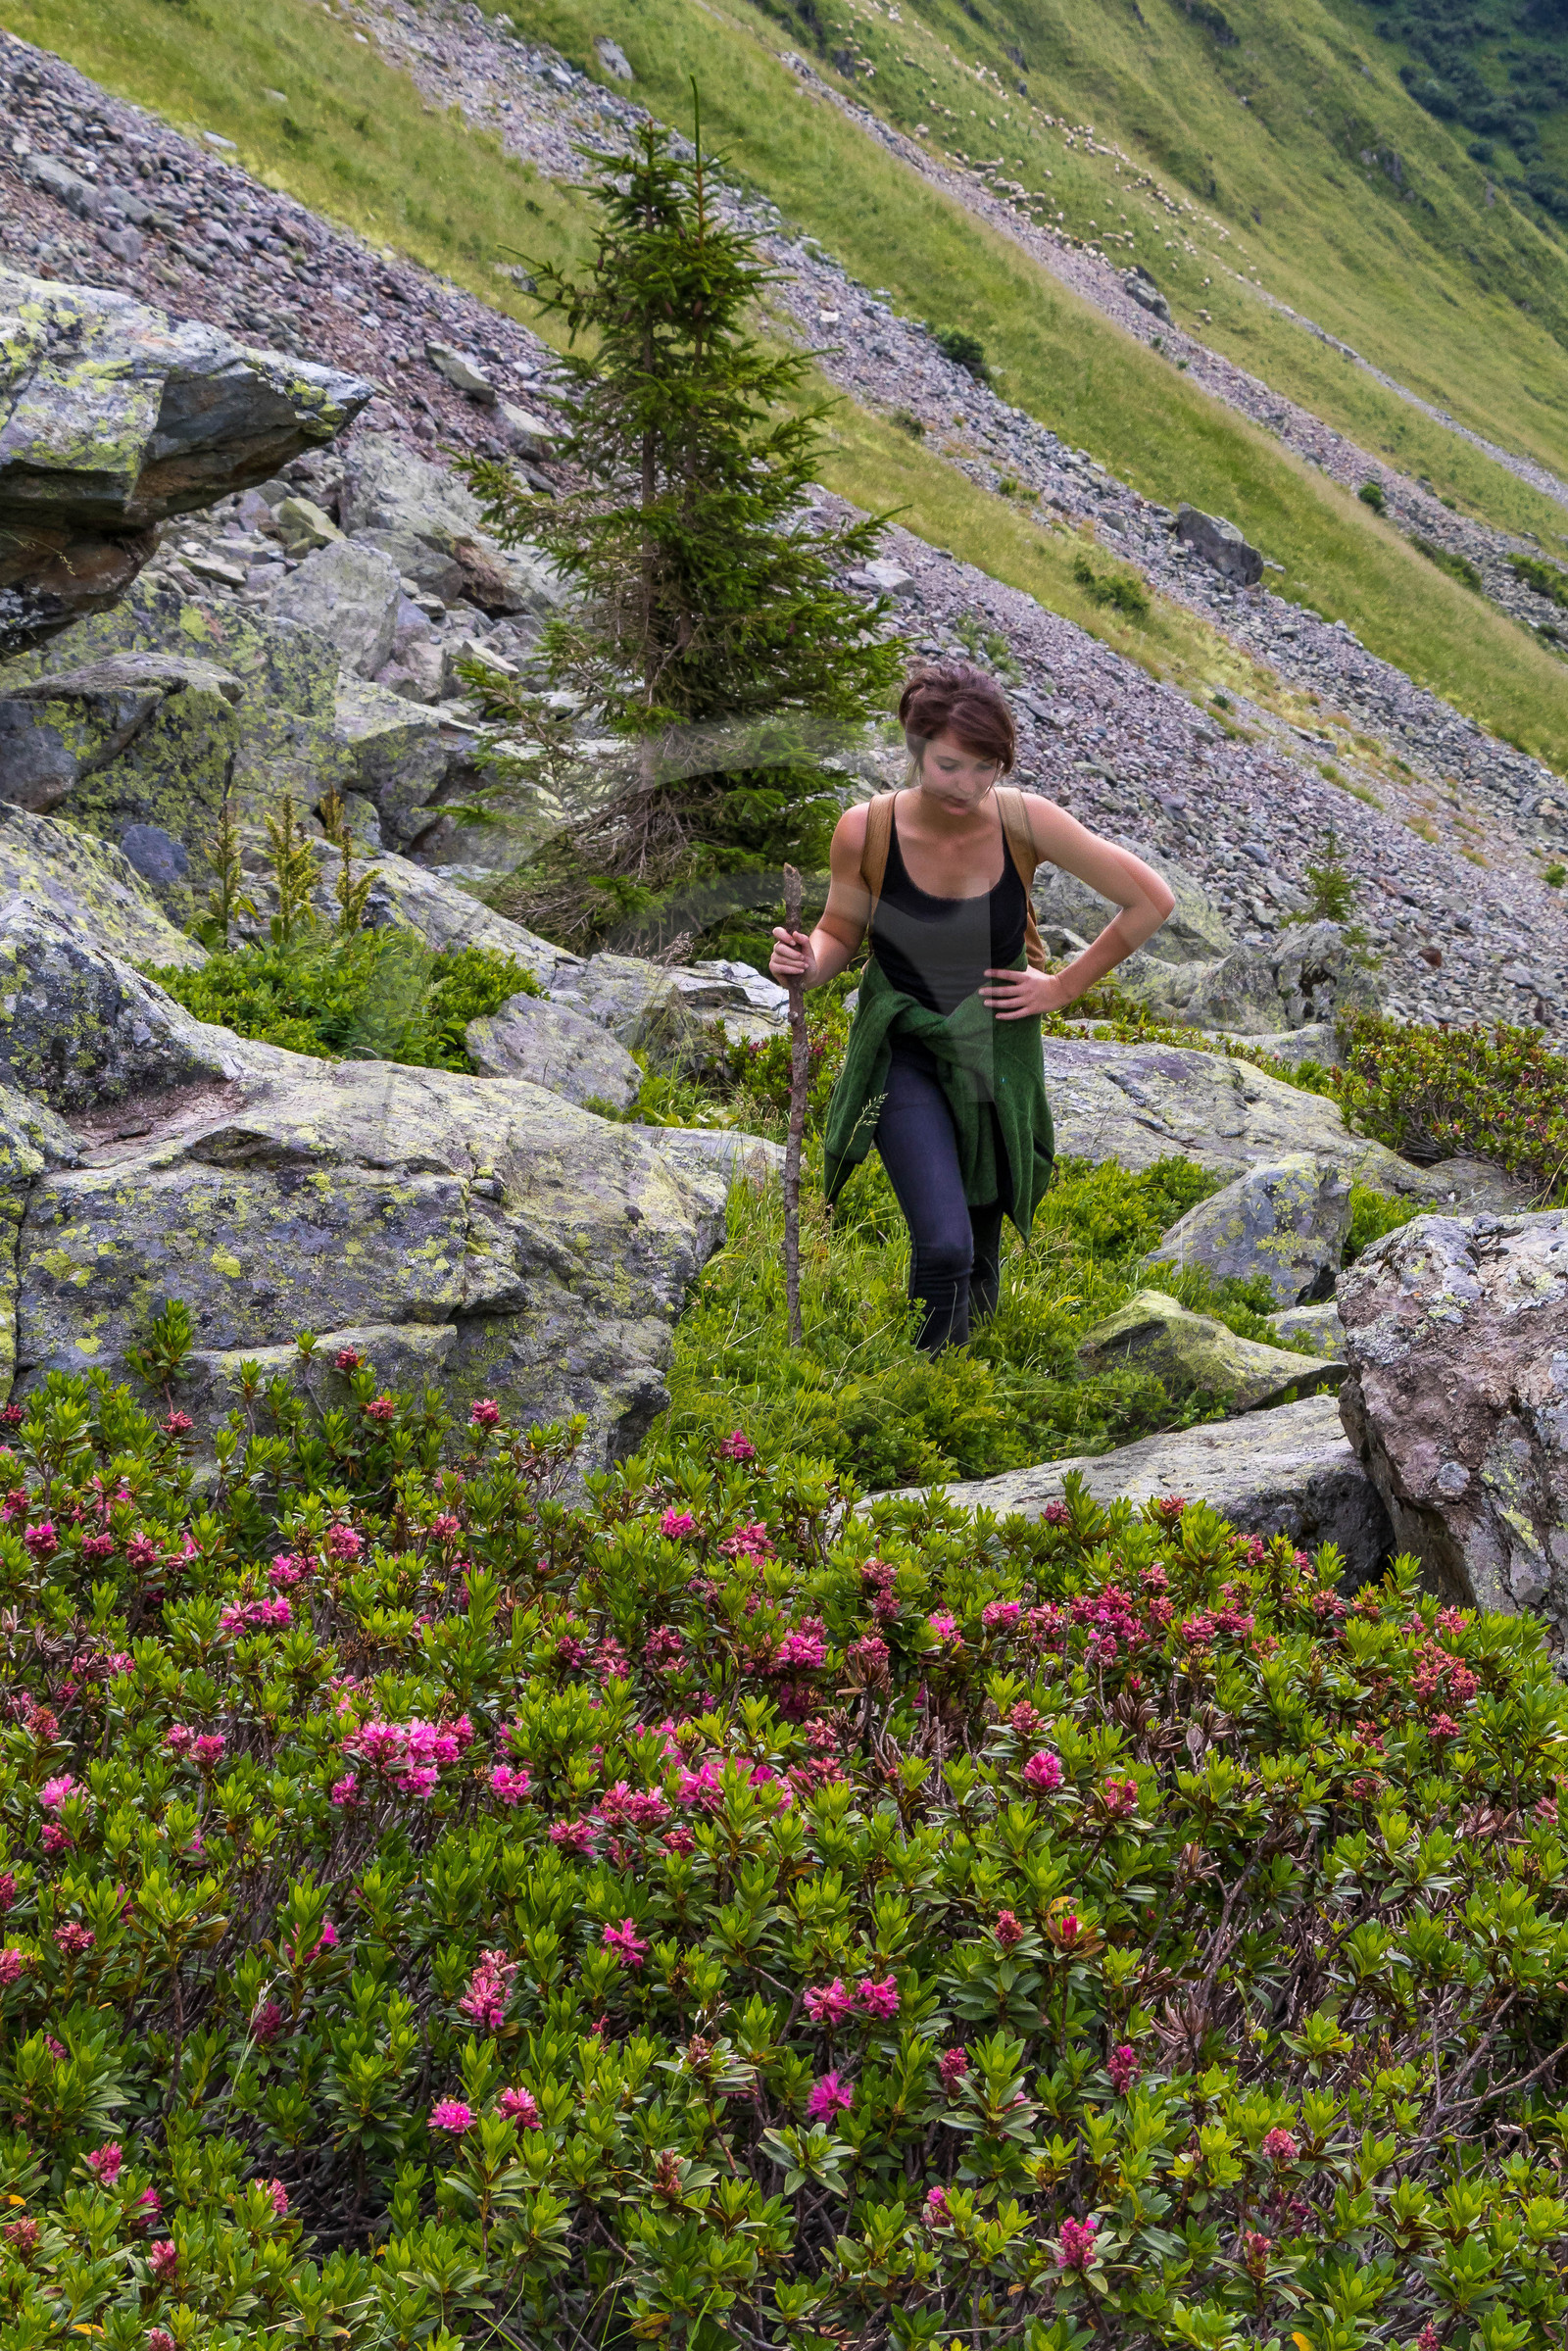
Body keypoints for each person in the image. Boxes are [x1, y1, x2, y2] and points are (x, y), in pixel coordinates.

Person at [769, 661, 1175, 1353]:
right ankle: (930, 1389)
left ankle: (968, 1381)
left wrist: (1061, 987)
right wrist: (807, 962)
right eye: (951, 764)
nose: (968, 785)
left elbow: (1151, 900)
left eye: (985, 766)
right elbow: (841, 931)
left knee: (982, 1256)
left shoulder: (1025, 822)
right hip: (904, 1046)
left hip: (996, 1049)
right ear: (916, 749)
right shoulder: (864, 831)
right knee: (946, 1244)